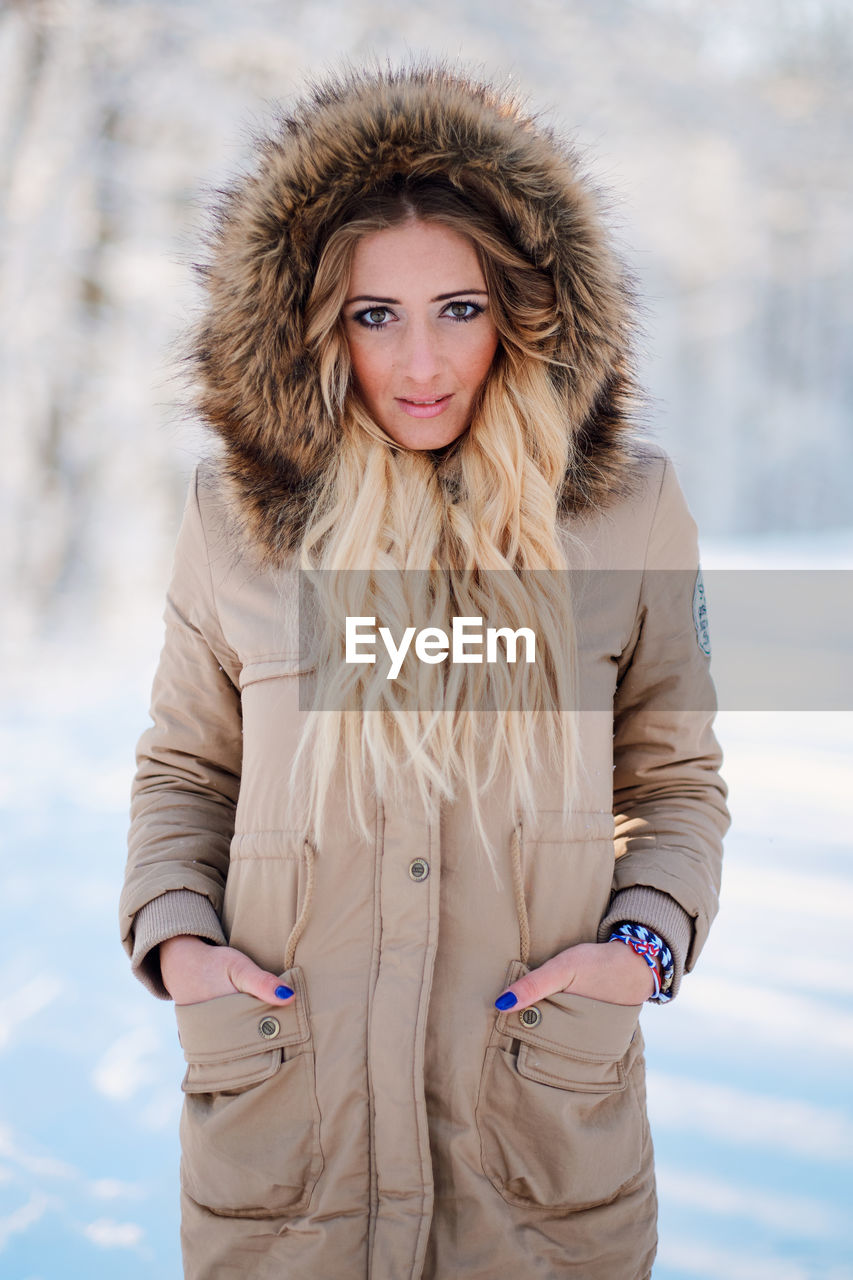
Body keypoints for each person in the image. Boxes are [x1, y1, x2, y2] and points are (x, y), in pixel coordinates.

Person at [119, 58, 730, 1280]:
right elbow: (187, 767)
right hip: (293, 1141)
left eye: (459, 307)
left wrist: (641, 947)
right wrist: (182, 944)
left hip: (537, 1139)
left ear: (525, 308)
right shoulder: (236, 520)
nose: (420, 362)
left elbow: (676, 780)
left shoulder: (626, 513)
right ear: (310, 326)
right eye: (372, 314)